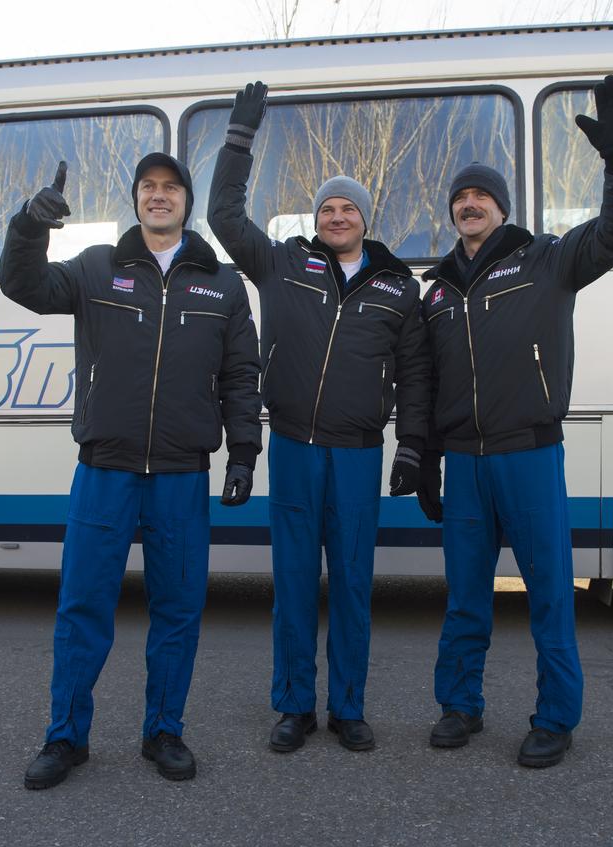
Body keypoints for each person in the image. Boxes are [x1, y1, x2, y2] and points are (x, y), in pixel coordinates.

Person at [0, 154, 262, 786]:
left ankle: (164, 732)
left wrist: (245, 454)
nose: (159, 196)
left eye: (171, 188)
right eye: (148, 187)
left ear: (186, 201)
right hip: (105, 470)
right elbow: (24, 287)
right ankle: (66, 739)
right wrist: (31, 226)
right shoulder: (96, 268)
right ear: (136, 199)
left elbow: (241, 376)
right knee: (83, 605)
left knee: (178, 608)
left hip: (180, 474)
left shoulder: (223, 285)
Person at [416, 75, 613, 769]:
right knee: (464, 599)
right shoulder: (435, 291)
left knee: (549, 594)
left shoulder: (546, 260)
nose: (469, 202)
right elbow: (425, 381)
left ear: (501, 208)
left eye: (481, 194)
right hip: (465, 464)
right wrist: (425, 455)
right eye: (460, 196)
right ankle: (460, 706)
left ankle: (555, 717)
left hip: (529, 456)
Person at [208, 82, 431, 753]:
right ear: (317, 218)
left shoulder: (398, 287)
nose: (337, 216)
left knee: (355, 588)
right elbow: (222, 214)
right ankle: (294, 706)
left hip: (360, 453)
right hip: (297, 448)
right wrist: (238, 142)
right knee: (295, 587)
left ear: (366, 217)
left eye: (348, 208)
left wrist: (412, 447)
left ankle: (350, 708)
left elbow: (418, 373)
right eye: (328, 208)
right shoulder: (281, 263)